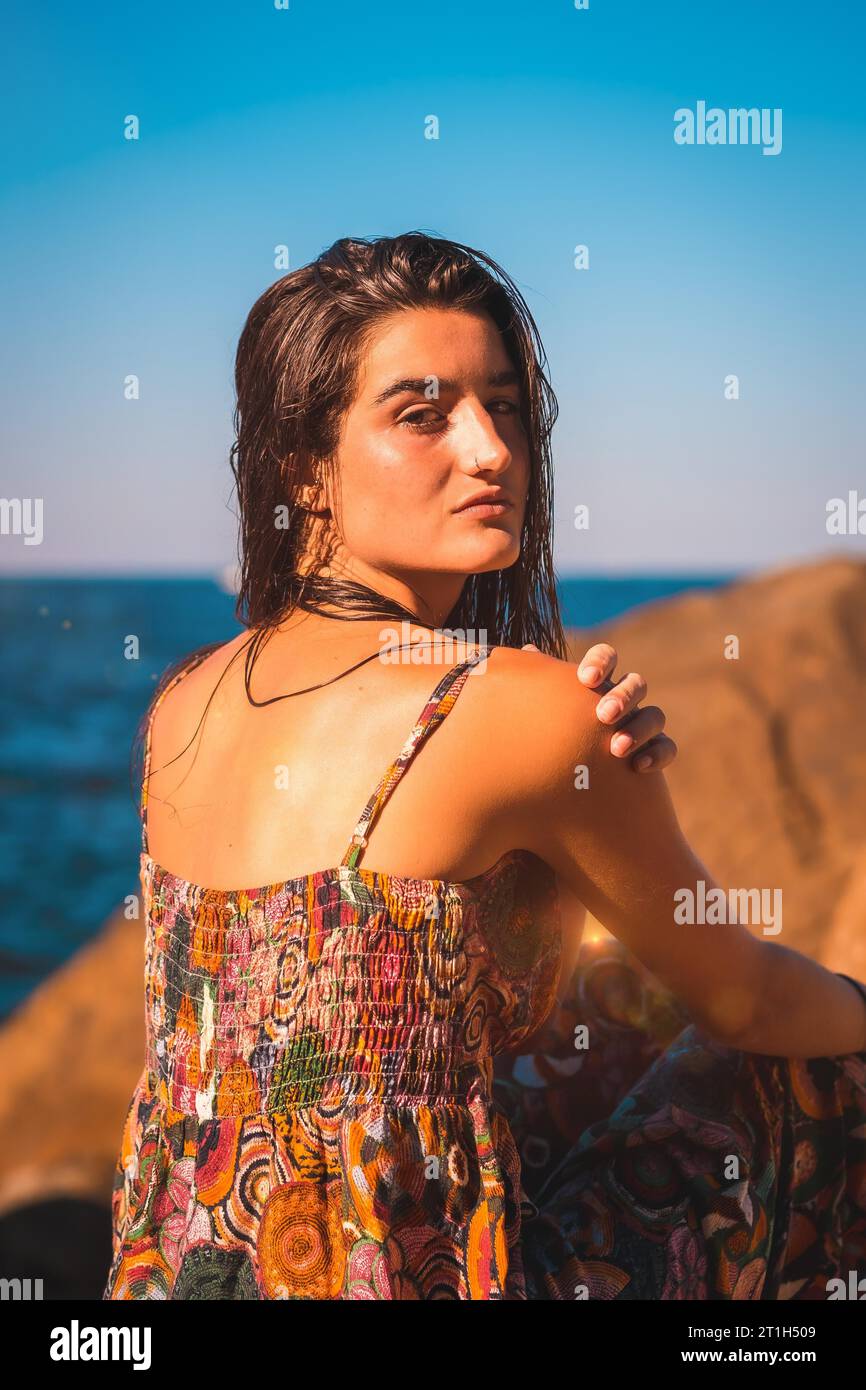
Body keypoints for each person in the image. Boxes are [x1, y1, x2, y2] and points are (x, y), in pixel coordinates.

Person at [103, 232, 866, 1301]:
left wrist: (581, 808)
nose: (491, 450)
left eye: (503, 406)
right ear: (301, 470)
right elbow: (740, 998)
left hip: (176, 1275)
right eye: (423, 415)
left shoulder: (180, 697)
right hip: (401, 1276)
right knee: (816, 1065)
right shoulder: (506, 702)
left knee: (604, 1003)